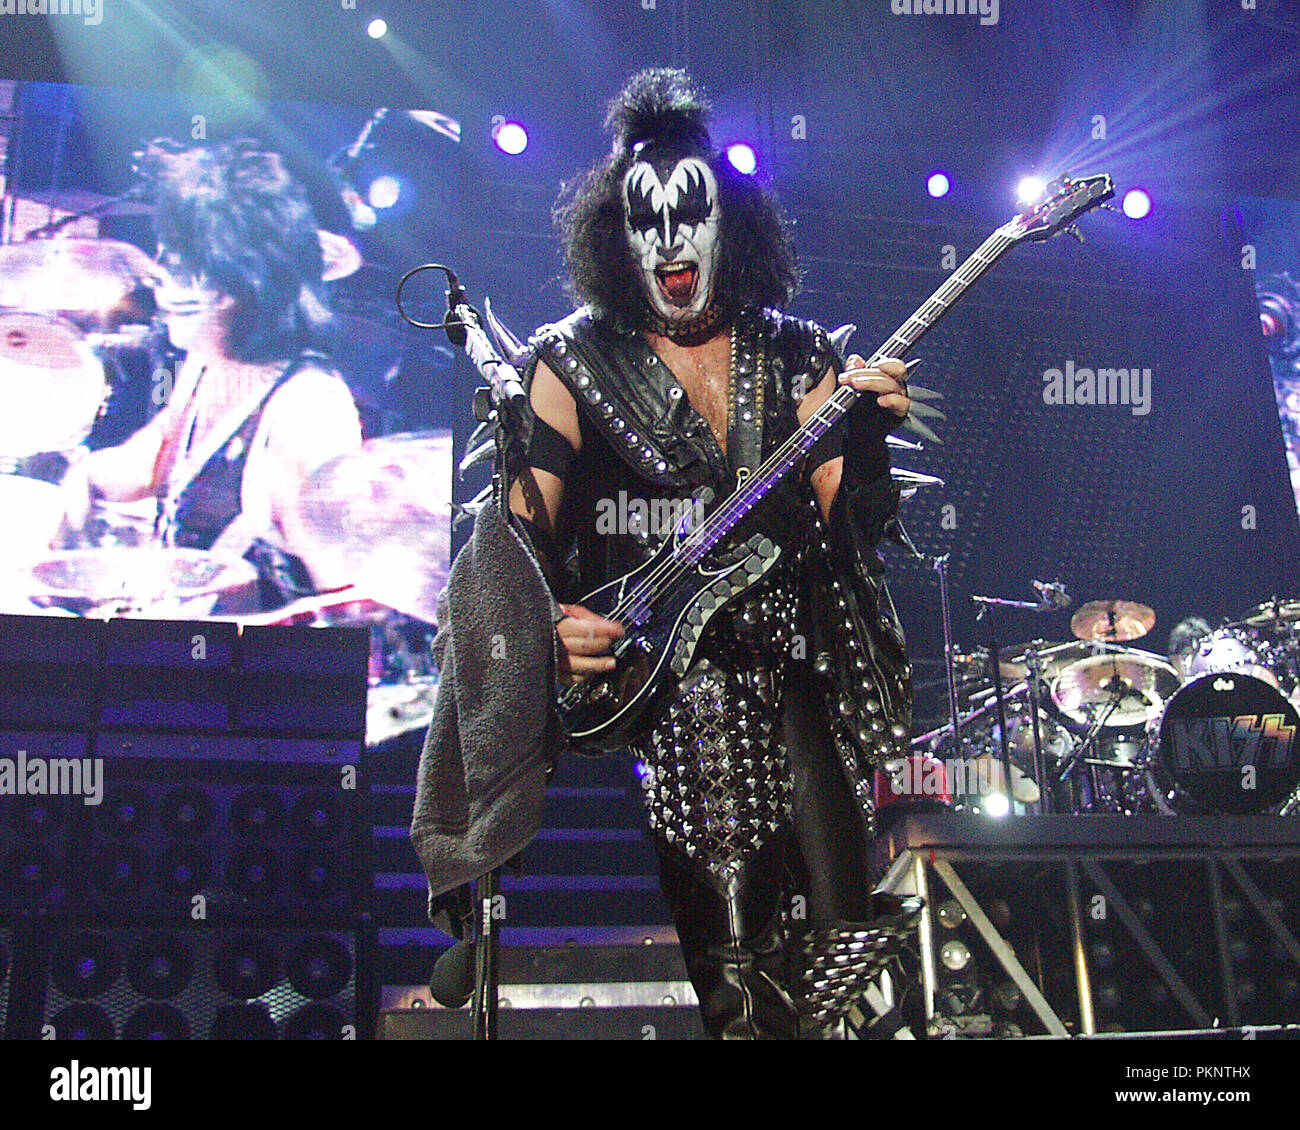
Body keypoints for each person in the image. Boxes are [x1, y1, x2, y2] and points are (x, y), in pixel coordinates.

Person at [507, 69, 919, 1038]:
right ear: (617, 235)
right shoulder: (569, 364)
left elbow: (852, 530)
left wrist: (865, 435)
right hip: (670, 689)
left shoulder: (795, 352)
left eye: (689, 214)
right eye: (646, 220)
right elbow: (517, 543)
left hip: (800, 675)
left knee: (842, 954)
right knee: (742, 974)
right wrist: (543, 621)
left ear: (728, 225)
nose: (670, 241)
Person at [57, 138, 362, 607]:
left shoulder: (306, 410)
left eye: (180, 263)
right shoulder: (208, 355)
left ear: (240, 282)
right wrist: (85, 477)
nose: (160, 277)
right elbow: (163, 455)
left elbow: (346, 605)